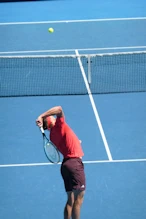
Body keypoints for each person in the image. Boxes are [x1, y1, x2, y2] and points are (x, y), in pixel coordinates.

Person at [36, 106, 86, 219]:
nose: (53, 116)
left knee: (70, 200)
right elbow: (59, 109)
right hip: (75, 164)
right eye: (51, 117)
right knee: (79, 199)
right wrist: (42, 115)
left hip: (66, 166)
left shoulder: (52, 135)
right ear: (50, 121)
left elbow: (67, 143)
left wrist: (77, 143)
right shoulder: (59, 125)